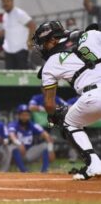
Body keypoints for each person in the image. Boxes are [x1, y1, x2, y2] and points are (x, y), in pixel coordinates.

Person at [32, 20, 101, 179]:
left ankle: (94, 165)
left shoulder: (50, 65)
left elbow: (49, 104)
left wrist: (54, 115)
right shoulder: (91, 34)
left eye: (43, 43)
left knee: (70, 122)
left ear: (53, 40)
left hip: (94, 96)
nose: (42, 47)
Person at [0, 0, 35, 69]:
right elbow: (6, 31)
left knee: (21, 73)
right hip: (9, 50)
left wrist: (30, 41)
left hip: (21, 49)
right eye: (3, 2)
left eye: (7, 1)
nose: (5, 3)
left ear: (12, 1)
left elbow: (32, 25)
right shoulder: (5, 16)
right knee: (10, 74)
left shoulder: (19, 13)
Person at [8, 104, 55, 173]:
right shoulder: (13, 124)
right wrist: (19, 144)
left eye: (27, 115)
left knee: (45, 146)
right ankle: (23, 170)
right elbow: (11, 136)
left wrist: (50, 150)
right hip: (16, 155)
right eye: (22, 115)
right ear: (18, 115)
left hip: (28, 153)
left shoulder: (33, 125)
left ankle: (44, 171)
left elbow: (47, 136)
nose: (25, 117)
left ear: (29, 116)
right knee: (13, 147)